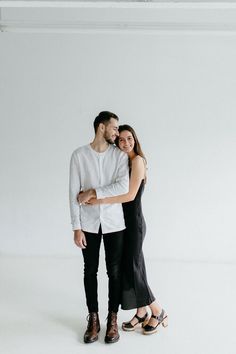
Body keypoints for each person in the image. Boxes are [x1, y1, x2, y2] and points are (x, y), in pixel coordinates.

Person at [86, 124, 168, 335]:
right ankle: (141, 312)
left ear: (135, 139)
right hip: (122, 224)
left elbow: (130, 196)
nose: (125, 142)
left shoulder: (138, 161)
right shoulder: (122, 161)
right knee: (131, 268)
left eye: (129, 138)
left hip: (134, 224)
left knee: (133, 268)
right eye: (121, 140)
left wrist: (98, 200)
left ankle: (157, 311)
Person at [69, 111, 129, 344]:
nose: (117, 132)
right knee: (90, 270)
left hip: (115, 223)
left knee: (113, 271)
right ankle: (93, 319)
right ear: (101, 127)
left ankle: (112, 318)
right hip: (88, 224)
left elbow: (122, 186)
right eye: (114, 128)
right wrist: (76, 226)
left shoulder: (119, 156)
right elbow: (73, 194)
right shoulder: (79, 156)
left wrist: (93, 192)